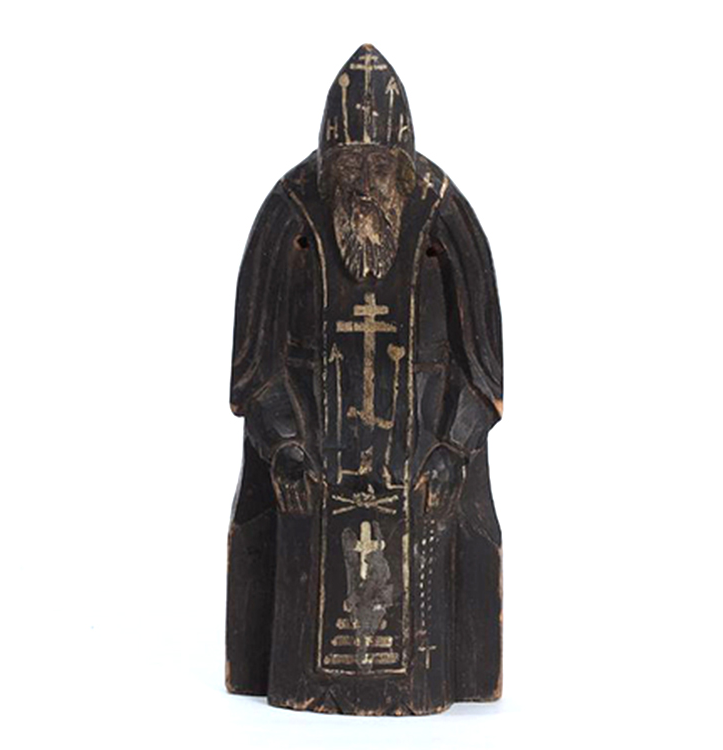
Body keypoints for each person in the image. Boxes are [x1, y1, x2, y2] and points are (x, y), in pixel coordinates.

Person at [226, 44, 503, 715]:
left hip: (420, 460)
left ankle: (432, 681)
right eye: (350, 170)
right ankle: (301, 683)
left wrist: (452, 447)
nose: (363, 186)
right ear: (329, 165)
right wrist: (284, 444)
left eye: (378, 170)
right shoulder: (290, 214)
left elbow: (482, 368)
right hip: (312, 461)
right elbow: (255, 366)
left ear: (401, 166)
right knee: (297, 535)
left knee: (431, 553)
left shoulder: (443, 215)